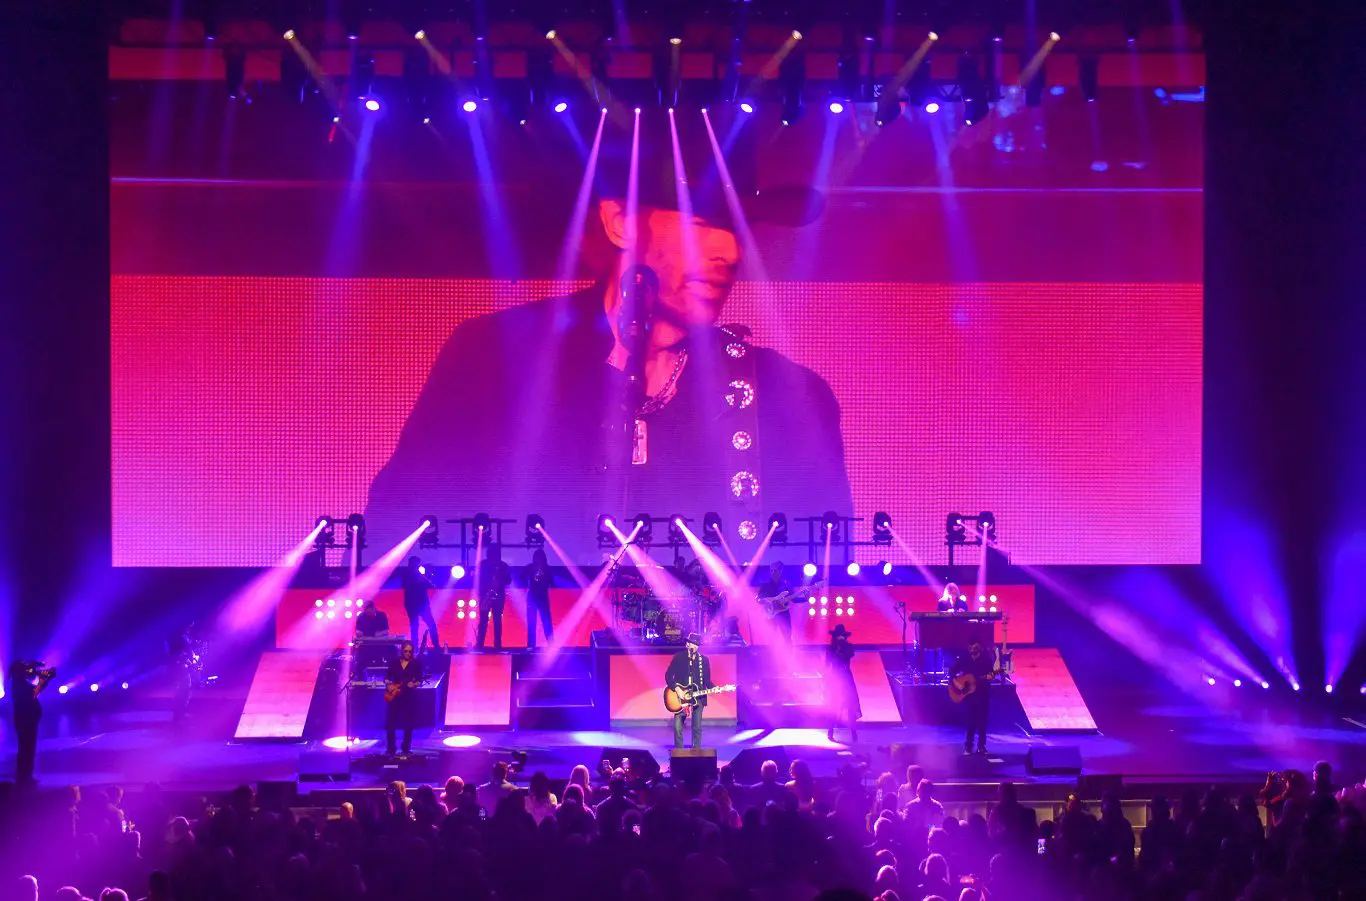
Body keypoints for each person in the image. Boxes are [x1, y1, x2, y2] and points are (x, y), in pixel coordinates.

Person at [363, 124, 852, 562]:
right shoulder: (495, 357)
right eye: (700, 227)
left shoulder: (790, 394)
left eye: (742, 230)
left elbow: (825, 564)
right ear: (619, 222)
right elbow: (399, 525)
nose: (730, 252)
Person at [6, 659, 54, 784]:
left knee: (26, 747)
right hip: (25, 720)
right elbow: (35, 691)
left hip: (26, 720)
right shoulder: (19, 684)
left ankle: (25, 775)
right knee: (27, 747)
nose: (27, 671)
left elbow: (35, 690)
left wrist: (43, 677)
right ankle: (24, 776)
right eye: (24, 669)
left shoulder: (19, 683)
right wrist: (44, 679)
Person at [665, 632, 713, 751]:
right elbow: (668, 675)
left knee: (697, 727)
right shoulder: (679, 657)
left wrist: (716, 688)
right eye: (692, 643)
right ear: (687, 644)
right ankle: (679, 753)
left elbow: (707, 680)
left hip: (698, 696)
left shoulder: (704, 660)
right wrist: (676, 688)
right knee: (677, 727)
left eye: (697, 644)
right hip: (681, 697)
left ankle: (696, 752)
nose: (694, 646)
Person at [949, 638, 998, 755]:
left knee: (982, 721)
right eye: (971, 647)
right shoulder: (964, 659)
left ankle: (981, 746)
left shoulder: (986, 659)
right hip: (970, 695)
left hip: (983, 693)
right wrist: (956, 682)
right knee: (971, 721)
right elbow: (952, 671)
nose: (973, 650)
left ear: (979, 647)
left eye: (975, 647)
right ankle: (968, 747)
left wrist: (990, 676)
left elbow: (991, 674)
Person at [383, 641, 424, 757]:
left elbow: (420, 680)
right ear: (402, 651)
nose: (408, 654)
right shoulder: (395, 662)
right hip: (395, 696)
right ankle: (391, 749)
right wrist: (388, 684)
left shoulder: (416, 663)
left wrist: (414, 684)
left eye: (410, 651)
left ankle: (406, 749)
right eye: (406, 651)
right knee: (390, 724)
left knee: (408, 724)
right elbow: (386, 677)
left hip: (408, 696)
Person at [825, 623, 860, 743]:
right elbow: (827, 665)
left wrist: (841, 646)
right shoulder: (830, 649)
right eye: (838, 636)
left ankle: (853, 732)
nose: (840, 638)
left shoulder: (848, 647)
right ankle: (830, 731)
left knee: (850, 704)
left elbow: (848, 656)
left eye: (842, 636)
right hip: (835, 678)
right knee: (833, 704)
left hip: (846, 677)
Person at [476, 543, 512, 651]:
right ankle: (480, 644)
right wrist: (482, 593)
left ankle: (497, 645)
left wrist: (500, 578)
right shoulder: (483, 564)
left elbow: (508, 580)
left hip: (498, 596)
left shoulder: (503, 565)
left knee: (497, 621)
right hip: (486, 595)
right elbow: (478, 580)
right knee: (483, 621)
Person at [400, 557, 439, 649]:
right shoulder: (415, 574)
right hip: (420, 603)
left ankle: (415, 646)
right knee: (430, 624)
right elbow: (430, 585)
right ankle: (436, 646)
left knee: (415, 625)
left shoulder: (406, 573)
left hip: (412, 603)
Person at [755, 561, 796, 643]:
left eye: (776, 570)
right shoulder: (765, 585)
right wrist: (770, 601)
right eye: (771, 570)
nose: (773, 572)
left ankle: (788, 655)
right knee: (771, 639)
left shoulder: (786, 584)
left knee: (787, 638)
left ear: (781, 570)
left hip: (784, 614)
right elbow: (759, 600)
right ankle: (770, 655)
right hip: (770, 615)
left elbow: (794, 599)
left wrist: (806, 597)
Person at [525, 548, 554, 650]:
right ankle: (531, 645)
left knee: (546, 621)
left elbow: (552, 582)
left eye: (540, 557)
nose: (539, 559)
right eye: (537, 557)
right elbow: (521, 576)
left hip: (543, 597)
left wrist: (544, 576)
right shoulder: (530, 567)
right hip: (532, 597)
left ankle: (551, 644)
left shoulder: (547, 569)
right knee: (531, 622)